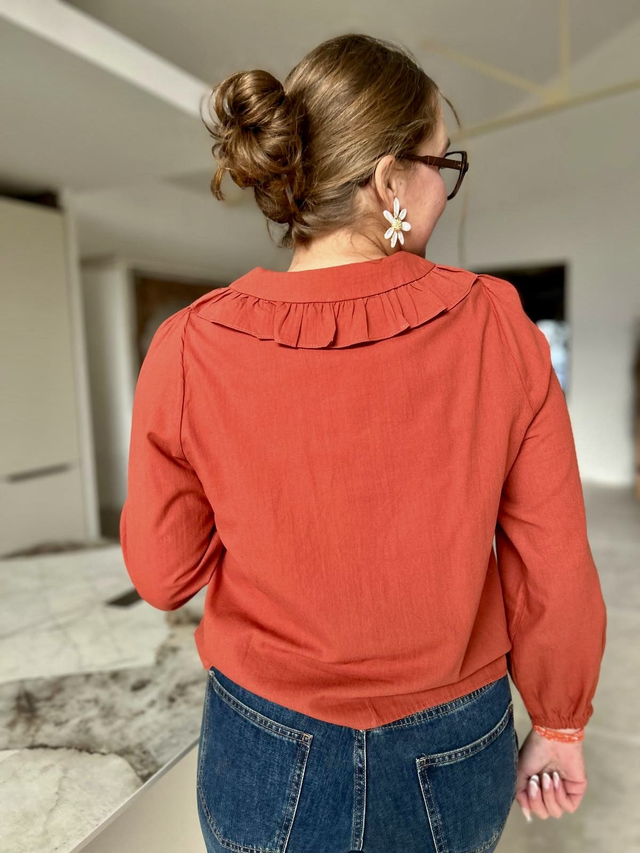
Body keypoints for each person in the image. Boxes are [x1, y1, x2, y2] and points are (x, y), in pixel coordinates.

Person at [120, 33, 607, 852]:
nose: (445, 189)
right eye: (443, 165)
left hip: (265, 739)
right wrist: (559, 723)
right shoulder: (496, 323)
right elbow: (550, 557)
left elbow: (163, 574)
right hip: (455, 737)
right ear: (389, 180)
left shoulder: (190, 346)